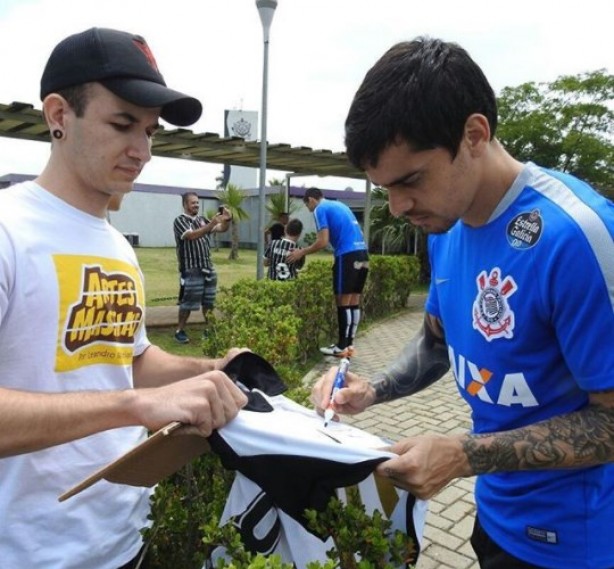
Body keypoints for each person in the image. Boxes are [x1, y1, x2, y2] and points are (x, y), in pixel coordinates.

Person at [312, 37, 614, 569]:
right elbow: (437, 338)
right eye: (384, 188)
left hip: (577, 543)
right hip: (493, 515)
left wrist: (461, 455)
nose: (398, 206)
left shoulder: (577, 237)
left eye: (410, 180)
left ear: (474, 135)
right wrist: (372, 390)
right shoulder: (443, 223)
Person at [0, 27, 248, 569]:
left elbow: (126, 361)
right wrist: (133, 408)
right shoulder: (7, 230)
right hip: (24, 551)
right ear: (59, 116)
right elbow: (130, 395)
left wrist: (207, 369)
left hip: (122, 539)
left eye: (150, 131)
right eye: (121, 124)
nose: (143, 151)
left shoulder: (116, 246)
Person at [287, 187, 369, 358]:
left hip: (346, 255)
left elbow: (322, 241)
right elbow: (358, 232)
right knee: (354, 300)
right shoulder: (341, 206)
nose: (310, 211)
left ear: (311, 200)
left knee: (342, 301)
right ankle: (349, 344)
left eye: (308, 207)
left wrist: (301, 252)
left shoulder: (320, 209)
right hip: (362, 253)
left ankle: (341, 347)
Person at [173, 193, 231, 344]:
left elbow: (221, 229)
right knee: (188, 303)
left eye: (197, 203)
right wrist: (211, 224)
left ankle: (210, 330)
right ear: (185, 204)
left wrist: (227, 220)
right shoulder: (180, 221)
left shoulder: (202, 220)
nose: (196, 205)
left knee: (209, 302)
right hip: (191, 269)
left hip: (208, 267)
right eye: (193, 203)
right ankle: (179, 330)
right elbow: (191, 236)